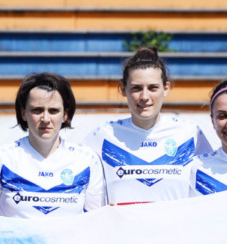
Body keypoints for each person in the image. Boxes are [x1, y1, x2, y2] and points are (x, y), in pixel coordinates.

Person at [82, 47, 210, 205]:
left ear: (166, 88)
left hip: (174, 230)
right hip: (123, 230)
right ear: (123, 89)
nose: (144, 97)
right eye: (136, 88)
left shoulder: (190, 134)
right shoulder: (102, 136)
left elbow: (210, 192)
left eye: (152, 88)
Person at [0, 72, 104, 218]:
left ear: (65, 115)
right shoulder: (1, 158)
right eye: (37, 110)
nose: (46, 119)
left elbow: (95, 223)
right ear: (23, 113)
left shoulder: (86, 160)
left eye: (53, 111)